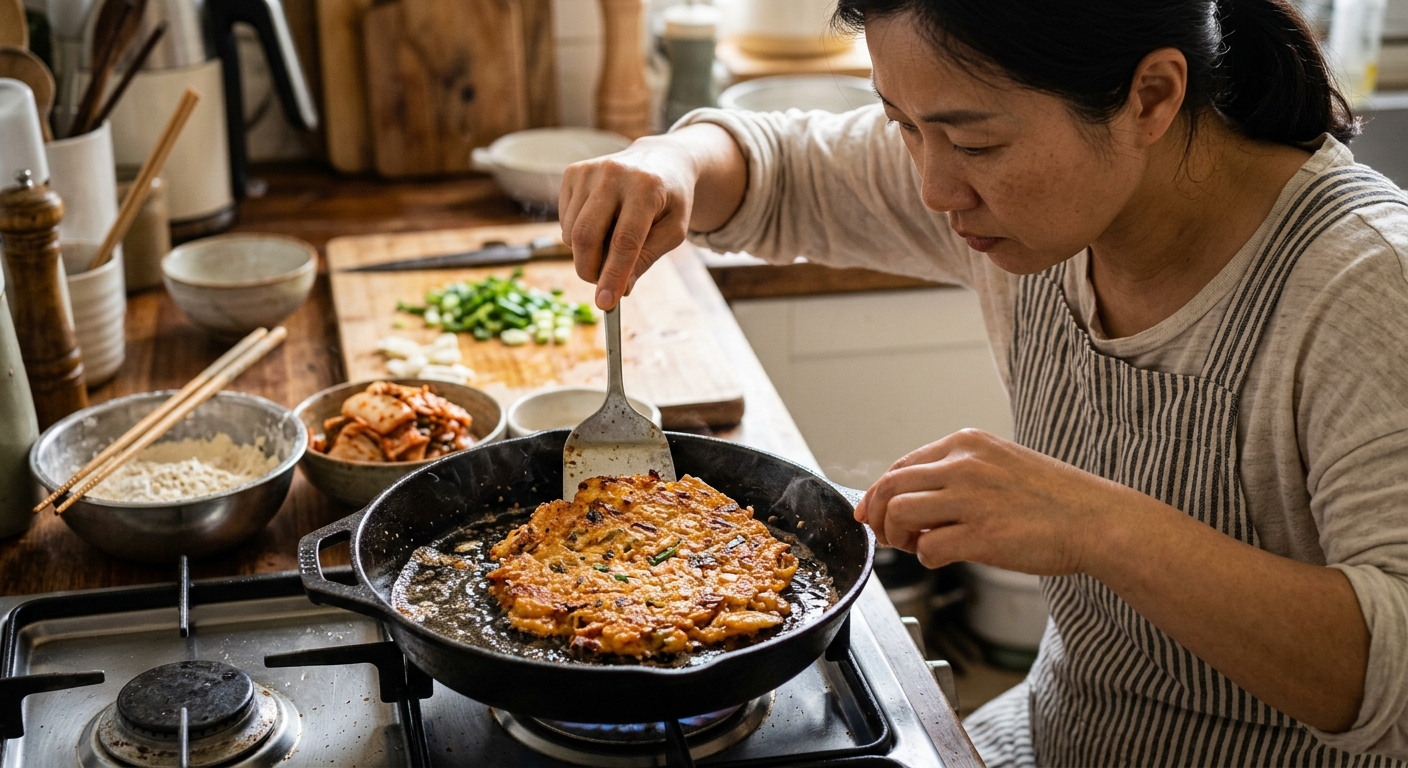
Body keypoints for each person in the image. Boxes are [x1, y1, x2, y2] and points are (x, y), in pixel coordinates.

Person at [558, 0, 1408, 764]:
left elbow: (1394, 687)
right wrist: (670, 162)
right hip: (1059, 735)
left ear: (1151, 96)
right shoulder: (1028, 201)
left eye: (975, 143)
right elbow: (776, 167)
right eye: (901, 125)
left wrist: (1097, 524)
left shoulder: (1369, 285)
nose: (933, 187)